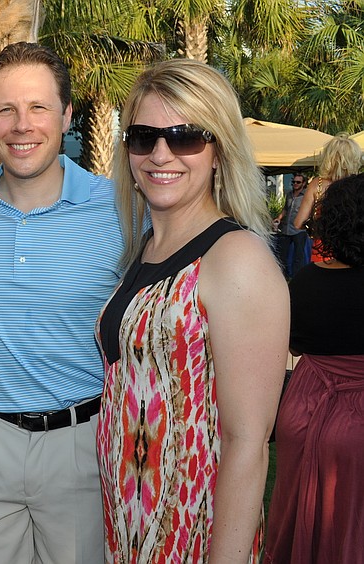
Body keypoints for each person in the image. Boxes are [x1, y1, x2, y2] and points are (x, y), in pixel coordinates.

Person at [97, 58, 289, 562]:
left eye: (184, 136)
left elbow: (249, 442)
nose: (161, 153)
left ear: (218, 151)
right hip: (131, 528)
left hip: (194, 535)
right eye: (143, 137)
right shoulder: (143, 250)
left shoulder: (236, 258)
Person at [0, 42, 123, 564]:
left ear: (67, 116)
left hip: (80, 442)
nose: (22, 124)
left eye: (38, 107)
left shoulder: (118, 209)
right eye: (6, 109)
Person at [264, 173, 364, 564]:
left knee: (299, 510)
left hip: (303, 407)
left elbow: (293, 342)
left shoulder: (304, 281)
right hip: (355, 418)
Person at [293, 134, 361, 262]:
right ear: (354, 158)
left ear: (328, 158)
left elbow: (298, 223)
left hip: (323, 253)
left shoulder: (317, 184)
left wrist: (319, 227)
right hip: (353, 252)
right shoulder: (358, 185)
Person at [275, 174, 309, 277]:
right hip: (286, 228)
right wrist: (279, 218)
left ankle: (296, 277)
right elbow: (286, 209)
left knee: (298, 256)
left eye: (298, 182)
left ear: (303, 183)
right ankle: (283, 276)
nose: (295, 184)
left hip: (299, 229)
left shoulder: (306, 196)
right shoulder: (289, 194)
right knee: (282, 254)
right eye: (293, 182)